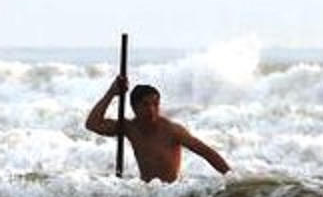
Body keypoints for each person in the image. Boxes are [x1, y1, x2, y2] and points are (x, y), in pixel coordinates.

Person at [86, 76, 229, 182]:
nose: (151, 110)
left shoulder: (173, 131)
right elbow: (92, 124)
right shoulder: (129, 128)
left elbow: (206, 152)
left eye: (155, 104)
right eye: (145, 105)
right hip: (147, 195)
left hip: (169, 194)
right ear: (134, 107)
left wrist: (230, 177)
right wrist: (111, 93)